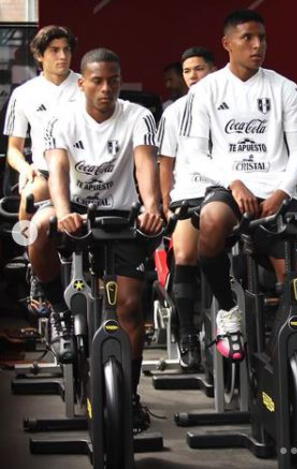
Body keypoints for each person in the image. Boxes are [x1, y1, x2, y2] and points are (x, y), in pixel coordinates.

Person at [30, 48, 163, 432]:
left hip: (122, 214)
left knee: (130, 308)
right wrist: (62, 209)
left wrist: (151, 206)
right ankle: (56, 305)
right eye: (98, 81)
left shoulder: (138, 116)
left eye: (114, 81)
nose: (106, 89)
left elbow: (144, 164)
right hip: (73, 207)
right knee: (38, 230)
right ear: (82, 83)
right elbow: (56, 169)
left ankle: (131, 395)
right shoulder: (62, 120)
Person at [181, 10, 297, 361]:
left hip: (277, 191)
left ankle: (283, 347)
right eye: (248, 38)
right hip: (230, 186)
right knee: (210, 222)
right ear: (227, 44)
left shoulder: (285, 88)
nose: (257, 45)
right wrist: (233, 182)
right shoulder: (205, 90)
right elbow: (194, 153)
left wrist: (282, 193)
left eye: (262, 38)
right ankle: (227, 307)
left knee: (296, 279)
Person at [3, 25, 82, 314]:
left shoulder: (86, 84)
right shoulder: (24, 94)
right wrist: (24, 169)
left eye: (67, 49)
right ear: (39, 56)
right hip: (45, 172)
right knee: (27, 201)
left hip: (84, 173)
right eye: (54, 51)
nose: (63, 56)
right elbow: (13, 148)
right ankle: (35, 268)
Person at [157, 46, 217, 370]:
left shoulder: (230, 106)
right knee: (183, 257)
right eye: (187, 71)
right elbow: (165, 163)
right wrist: (166, 203)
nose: (193, 76)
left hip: (225, 193)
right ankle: (188, 332)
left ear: (214, 70)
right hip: (188, 195)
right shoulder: (174, 112)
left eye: (199, 69)